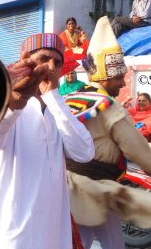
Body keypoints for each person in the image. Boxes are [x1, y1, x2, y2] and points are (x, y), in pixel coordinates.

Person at [0, 33, 95, 249]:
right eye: (43, 59)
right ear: (26, 64)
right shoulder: (5, 102)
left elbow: (85, 152)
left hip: (54, 234)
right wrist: (16, 101)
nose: (50, 66)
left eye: (57, 62)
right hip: (12, 235)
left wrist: (53, 98)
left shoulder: (59, 109)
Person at [65, 16, 151, 249]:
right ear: (104, 75)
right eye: (119, 78)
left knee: (85, 240)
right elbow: (139, 150)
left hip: (70, 185)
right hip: (95, 187)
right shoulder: (107, 105)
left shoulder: (71, 97)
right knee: (100, 242)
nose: (123, 84)